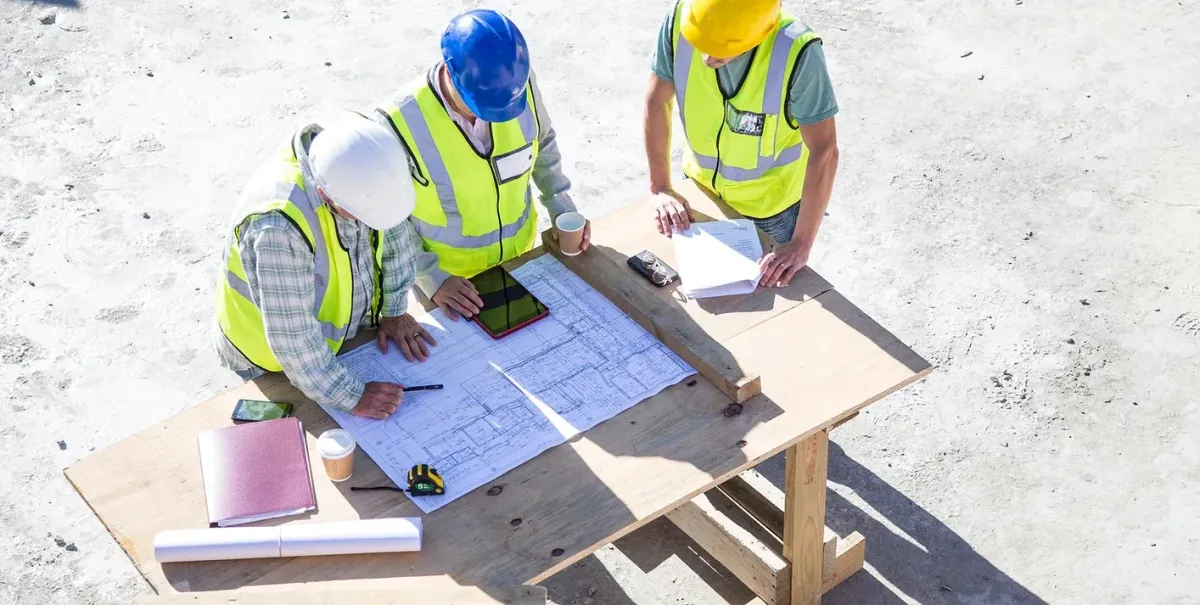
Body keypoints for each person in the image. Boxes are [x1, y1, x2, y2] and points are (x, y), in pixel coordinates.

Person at [213, 112, 436, 420]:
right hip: (269, 362)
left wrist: (394, 311)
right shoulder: (278, 226)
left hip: (337, 342)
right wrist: (352, 396)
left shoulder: (368, 162)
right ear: (324, 194)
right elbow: (293, 338)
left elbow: (395, 235)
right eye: (359, 215)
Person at [375, 9, 590, 321]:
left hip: (521, 261)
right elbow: (388, 221)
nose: (495, 115)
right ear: (450, 73)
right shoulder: (397, 122)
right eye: (485, 105)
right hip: (451, 286)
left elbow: (542, 143)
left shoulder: (516, 86)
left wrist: (562, 208)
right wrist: (431, 278)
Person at [644, 0, 840, 288]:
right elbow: (657, 98)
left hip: (771, 212)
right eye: (701, 43)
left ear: (758, 36)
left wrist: (801, 243)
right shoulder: (683, 17)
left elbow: (825, 150)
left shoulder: (797, 54)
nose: (707, 57)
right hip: (700, 189)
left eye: (721, 53)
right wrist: (660, 186)